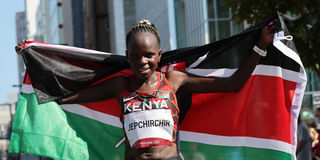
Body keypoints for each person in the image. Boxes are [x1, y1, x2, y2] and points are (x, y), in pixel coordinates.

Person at [16, 19, 277, 160]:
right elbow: (67, 99)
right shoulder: (120, 86)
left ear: (159, 55)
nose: (143, 61)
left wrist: (260, 47)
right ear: (127, 56)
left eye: (149, 55)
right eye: (136, 56)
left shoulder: (175, 81)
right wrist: (33, 59)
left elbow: (233, 84)